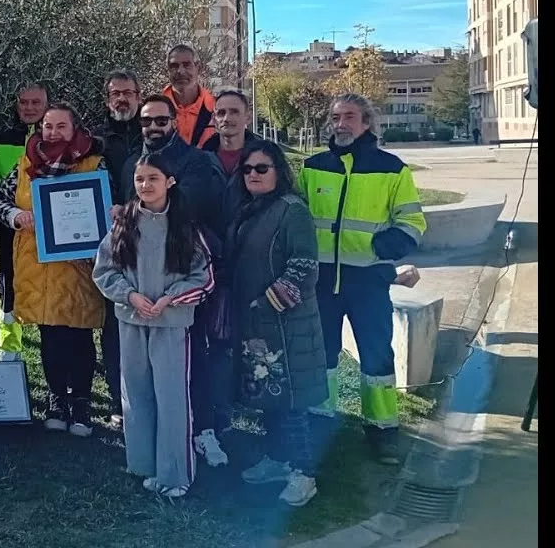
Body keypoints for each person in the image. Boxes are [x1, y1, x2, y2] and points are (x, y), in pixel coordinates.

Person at [299, 94, 427, 465]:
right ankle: (322, 419)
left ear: (366, 122)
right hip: (321, 282)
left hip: (368, 281)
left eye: (350, 117)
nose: (341, 124)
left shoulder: (392, 169)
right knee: (322, 355)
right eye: (336, 117)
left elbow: (413, 220)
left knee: (376, 354)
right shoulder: (313, 167)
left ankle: (382, 428)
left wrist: (387, 245)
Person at [93, 150, 215, 499]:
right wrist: (130, 296)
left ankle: (175, 474)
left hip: (171, 325)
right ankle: (145, 465)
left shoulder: (185, 226)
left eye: (153, 178)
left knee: (172, 398)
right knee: (137, 395)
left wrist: (169, 299)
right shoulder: (124, 223)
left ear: (170, 182)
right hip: (131, 322)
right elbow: (103, 270)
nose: (146, 185)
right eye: (140, 179)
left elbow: (203, 277)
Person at [119, 94, 231, 464]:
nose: (154, 127)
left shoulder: (198, 162)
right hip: (139, 279)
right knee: (144, 366)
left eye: (161, 120)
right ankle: (150, 435)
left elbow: (190, 209)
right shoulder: (130, 164)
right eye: (147, 121)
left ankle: (203, 430)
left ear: (175, 123)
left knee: (193, 358)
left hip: (182, 272)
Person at [0, 103, 110, 436]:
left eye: (60, 127)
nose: (53, 133)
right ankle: (57, 398)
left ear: (75, 129)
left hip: (78, 265)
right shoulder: (25, 163)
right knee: (50, 335)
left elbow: (107, 209)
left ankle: (82, 401)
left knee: (79, 333)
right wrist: (16, 216)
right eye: (47, 126)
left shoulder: (94, 164)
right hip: (37, 264)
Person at [225, 140, 327, 507]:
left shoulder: (292, 211)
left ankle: (304, 473)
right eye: (247, 169)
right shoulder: (250, 210)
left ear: (279, 172)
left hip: (287, 326)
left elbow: (303, 267)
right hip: (257, 327)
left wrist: (266, 303)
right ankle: (278, 461)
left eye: (262, 168)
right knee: (270, 399)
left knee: (292, 404)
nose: (253, 174)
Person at [0, 81, 49, 362]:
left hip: (51, 229)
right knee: (8, 284)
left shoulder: (57, 137)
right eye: (24, 102)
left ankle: (54, 342)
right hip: (11, 227)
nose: (30, 108)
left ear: (47, 104)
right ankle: (9, 346)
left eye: (36, 102)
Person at [95, 69, 143, 427]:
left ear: (139, 96)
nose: (122, 99)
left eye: (128, 92)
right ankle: (117, 398)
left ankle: (147, 396)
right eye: (116, 94)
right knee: (112, 324)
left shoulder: (152, 136)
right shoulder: (95, 140)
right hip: (108, 244)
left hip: (151, 240)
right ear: (107, 99)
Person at [161, 45, 218, 149]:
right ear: (167, 71)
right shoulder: (156, 110)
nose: (180, 71)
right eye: (174, 66)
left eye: (187, 65)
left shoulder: (216, 109)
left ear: (198, 68)